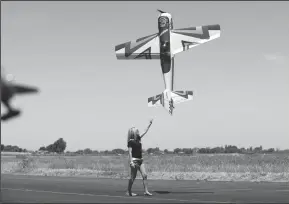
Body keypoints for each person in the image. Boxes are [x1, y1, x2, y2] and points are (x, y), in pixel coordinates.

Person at [126, 118, 154, 197]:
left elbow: (145, 131)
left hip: (140, 160)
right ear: (133, 133)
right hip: (134, 161)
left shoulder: (138, 139)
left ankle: (146, 191)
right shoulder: (130, 141)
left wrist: (150, 124)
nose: (138, 132)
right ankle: (128, 191)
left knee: (145, 175)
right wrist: (131, 162)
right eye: (137, 131)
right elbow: (130, 152)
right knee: (133, 177)